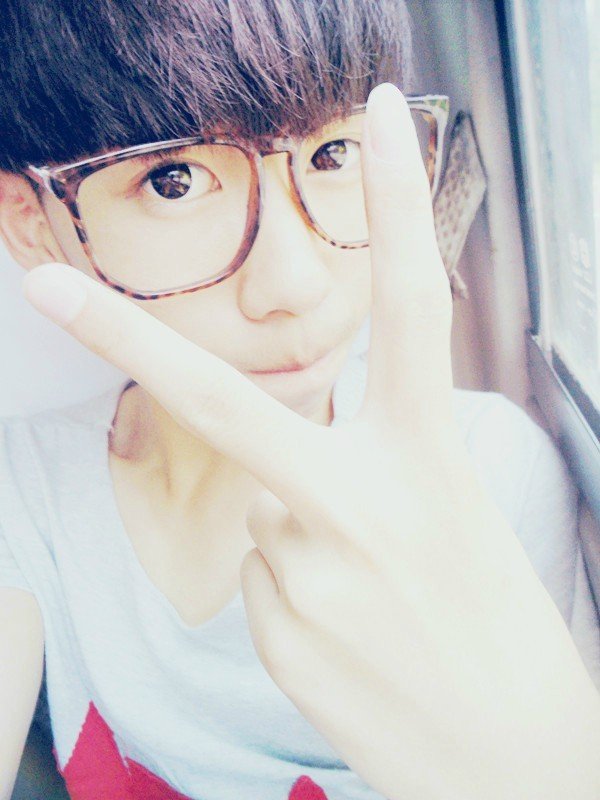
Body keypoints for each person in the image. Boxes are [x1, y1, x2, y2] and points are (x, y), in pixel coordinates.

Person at [1, 1, 600, 799]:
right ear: (34, 225)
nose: (296, 283)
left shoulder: (491, 474)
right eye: (174, 181)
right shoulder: (24, 490)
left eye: (332, 153)